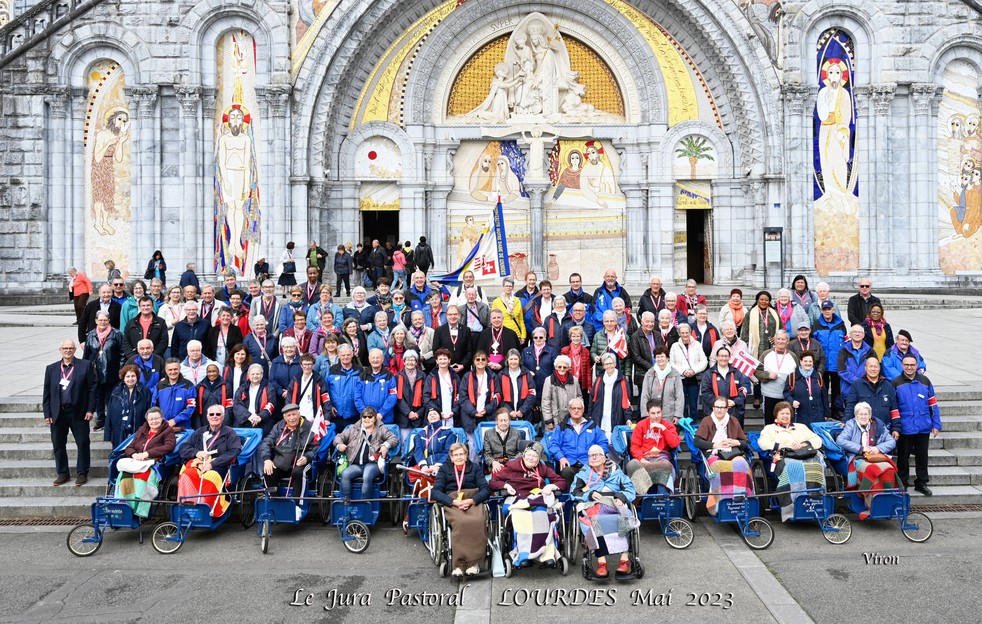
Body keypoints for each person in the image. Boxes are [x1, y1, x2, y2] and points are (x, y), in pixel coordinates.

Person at [490, 442, 568, 567]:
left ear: (539, 459)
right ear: (524, 455)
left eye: (535, 456)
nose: (531, 458)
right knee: (520, 517)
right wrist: (505, 485)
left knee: (543, 516)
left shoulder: (542, 468)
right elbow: (493, 482)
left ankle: (546, 554)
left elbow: (562, 482)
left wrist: (551, 486)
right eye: (529, 455)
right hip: (518, 499)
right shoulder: (511, 466)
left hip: (537, 500)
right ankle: (524, 554)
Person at [571, 445, 637, 578]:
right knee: (594, 520)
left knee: (626, 516)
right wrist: (589, 494)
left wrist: (622, 497)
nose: (594, 457)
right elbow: (574, 493)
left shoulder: (616, 472)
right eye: (591, 455)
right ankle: (602, 562)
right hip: (594, 505)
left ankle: (624, 559)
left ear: (604, 457)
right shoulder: (583, 474)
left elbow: (630, 489)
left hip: (614, 504)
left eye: (597, 454)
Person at [757, 401, 824, 521]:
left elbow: (818, 440)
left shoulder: (801, 427)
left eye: (787, 413)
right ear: (776, 415)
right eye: (782, 413)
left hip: (805, 456)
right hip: (783, 458)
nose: (785, 416)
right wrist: (783, 445)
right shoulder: (770, 428)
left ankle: (816, 501)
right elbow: (762, 443)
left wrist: (804, 444)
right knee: (793, 468)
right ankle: (792, 507)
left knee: (816, 466)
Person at [432, 442, 491, 577]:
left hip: (472, 500)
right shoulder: (445, 469)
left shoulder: (474, 468)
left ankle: (473, 563)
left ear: (466, 455)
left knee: (477, 521)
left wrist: (472, 500)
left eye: (461, 454)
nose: (459, 457)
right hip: (453, 502)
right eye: (456, 455)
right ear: (451, 457)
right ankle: (459, 564)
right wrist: (453, 502)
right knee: (461, 522)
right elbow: (436, 492)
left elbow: (485, 489)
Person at [43, 340, 97, 486]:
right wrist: (47, 413)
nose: (68, 350)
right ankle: (63, 473)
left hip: (78, 412)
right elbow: (47, 393)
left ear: (74, 350)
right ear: (60, 350)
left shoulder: (85, 366)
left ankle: (82, 473)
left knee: (83, 443)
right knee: (58, 444)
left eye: (70, 348)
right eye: (65, 348)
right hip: (58, 413)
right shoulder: (51, 369)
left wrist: (90, 409)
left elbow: (92, 388)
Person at [177, 405, 243, 517]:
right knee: (186, 475)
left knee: (210, 477)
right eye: (211, 414)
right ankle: (188, 508)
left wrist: (212, 464)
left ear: (223, 417)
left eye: (218, 414)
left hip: (219, 466)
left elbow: (234, 451)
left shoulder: (230, 433)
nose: (214, 417)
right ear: (207, 417)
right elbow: (183, 447)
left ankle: (205, 510)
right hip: (199, 464)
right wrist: (196, 453)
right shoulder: (200, 432)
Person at [836, 401, 898, 519]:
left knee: (889, 469)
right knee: (873, 470)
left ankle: (887, 504)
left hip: (875, 457)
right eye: (861, 414)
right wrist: (861, 448)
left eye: (866, 414)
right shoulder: (851, 424)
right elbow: (841, 440)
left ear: (870, 415)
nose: (863, 417)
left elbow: (892, 442)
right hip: (858, 457)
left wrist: (877, 448)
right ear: (856, 415)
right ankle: (872, 506)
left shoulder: (878, 424)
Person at [693, 396, 752, 516]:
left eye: (722, 407)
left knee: (742, 465)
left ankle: (741, 499)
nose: (719, 410)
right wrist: (715, 444)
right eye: (716, 407)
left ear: (727, 409)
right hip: (713, 453)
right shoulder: (707, 421)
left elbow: (745, 442)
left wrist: (737, 442)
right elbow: (697, 441)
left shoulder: (733, 421)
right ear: (713, 408)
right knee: (720, 467)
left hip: (732, 452)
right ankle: (721, 502)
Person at [113, 406, 176, 517]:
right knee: (123, 475)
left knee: (142, 477)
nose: (154, 421)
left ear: (162, 418)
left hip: (153, 463)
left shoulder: (167, 430)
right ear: (147, 420)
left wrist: (148, 453)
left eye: (157, 418)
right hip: (136, 461)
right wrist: (134, 454)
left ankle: (139, 509)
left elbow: (169, 446)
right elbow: (130, 446)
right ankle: (123, 505)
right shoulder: (142, 430)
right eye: (151, 419)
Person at [893, 355, 942, 496]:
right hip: (905, 427)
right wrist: (895, 427)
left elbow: (933, 404)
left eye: (912, 365)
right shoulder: (895, 383)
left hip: (923, 426)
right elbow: (893, 407)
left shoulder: (925, 381)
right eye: (906, 364)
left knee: (922, 456)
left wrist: (936, 424)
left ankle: (921, 483)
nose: (909, 367)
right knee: (903, 457)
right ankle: (902, 482)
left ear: (916, 365)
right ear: (902, 365)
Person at [334, 406, 398, 500]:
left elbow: (394, 439)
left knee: (367, 475)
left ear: (375, 418)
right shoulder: (354, 428)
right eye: (364, 417)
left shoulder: (381, 428)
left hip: (373, 464)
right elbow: (338, 437)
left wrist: (385, 445)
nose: (367, 419)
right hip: (356, 464)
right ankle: (346, 503)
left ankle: (365, 503)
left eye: (370, 416)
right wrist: (339, 445)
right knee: (345, 474)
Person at [82, 310, 124, 432]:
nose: (102, 322)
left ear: (109, 321)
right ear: (96, 321)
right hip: (95, 371)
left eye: (105, 320)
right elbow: (86, 355)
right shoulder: (91, 335)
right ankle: (101, 419)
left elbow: (122, 353)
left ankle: (111, 420)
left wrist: (121, 369)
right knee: (98, 397)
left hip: (112, 370)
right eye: (100, 320)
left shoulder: (116, 334)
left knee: (111, 396)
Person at [260, 402, 316, 494]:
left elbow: (316, 448)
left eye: (294, 414)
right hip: (282, 460)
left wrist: (307, 457)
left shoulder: (309, 427)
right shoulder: (279, 426)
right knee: (268, 471)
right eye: (288, 415)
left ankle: (298, 505)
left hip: (300, 461)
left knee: (298, 473)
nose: (292, 418)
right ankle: (274, 500)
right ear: (284, 417)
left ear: (299, 414)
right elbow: (266, 442)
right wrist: (267, 459)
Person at [627, 399, 680, 495]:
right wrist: (642, 459)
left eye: (658, 412)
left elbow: (675, 443)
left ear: (662, 411)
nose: (656, 416)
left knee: (665, 465)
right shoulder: (640, 425)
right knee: (631, 464)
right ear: (648, 413)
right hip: (645, 459)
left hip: (661, 458)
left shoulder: (668, 426)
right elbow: (635, 447)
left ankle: (661, 498)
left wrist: (663, 429)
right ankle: (643, 497)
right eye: (653, 413)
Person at [753, 330, 799, 426]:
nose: (780, 341)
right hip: (769, 395)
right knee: (770, 424)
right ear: (774, 340)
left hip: (787, 397)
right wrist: (767, 375)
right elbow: (756, 371)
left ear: (787, 341)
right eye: (778, 339)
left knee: (786, 423)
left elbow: (797, 375)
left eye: (783, 339)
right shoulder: (766, 354)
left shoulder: (793, 356)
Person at [457, 351, 499, 451]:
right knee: (471, 445)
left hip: (487, 415)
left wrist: (487, 409)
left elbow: (498, 396)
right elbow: (463, 397)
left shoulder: (493, 377)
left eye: (483, 359)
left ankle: (485, 466)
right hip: (469, 415)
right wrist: (473, 412)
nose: (480, 361)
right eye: (478, 359)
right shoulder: (467, 376)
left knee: (488, 444)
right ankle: (474, 466)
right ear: (474, 362)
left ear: (487, 361)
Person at [105, 363, 154, 448]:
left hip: (138, 431)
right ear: (123, 378)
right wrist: (108, 433)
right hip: (119, 432)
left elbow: (149, 410)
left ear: (137, 377)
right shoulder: (116, 392)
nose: (130, 379)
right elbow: (110, 413)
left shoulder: (144, 391)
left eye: (133, 376)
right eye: (128, 376)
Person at [589, 353, 633, 439]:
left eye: (610, 363)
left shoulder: (622, 380)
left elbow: (627, 401)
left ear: (615, 364)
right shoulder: (599, 379)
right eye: (606, 364)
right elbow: (592, 398)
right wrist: (590, 414)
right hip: (600, 417)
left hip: (616, 417)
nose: (609, 366)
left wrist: (628, 418)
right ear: (603, 366)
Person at [670, 323, 708, 421]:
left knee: (693, 405)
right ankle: (683, 426)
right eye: (682, 333)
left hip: (694, 379)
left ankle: (693, 426)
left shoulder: (697, 345)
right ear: (679, 333)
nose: (685, 335)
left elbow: (704, 361)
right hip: (680, 379)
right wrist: (683, 371)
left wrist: (693, 370)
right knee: (681, 404)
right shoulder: (675, 346)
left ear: (690, 333)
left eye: (686, 332)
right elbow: (671, 362)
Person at [783, 351, 830, 426]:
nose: (808, 363)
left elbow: (824, 397)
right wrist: (792, 402)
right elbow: (786, 394)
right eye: (805, 361)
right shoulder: (792, 377)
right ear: (800, 361)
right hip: (799, 417)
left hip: (817, 417)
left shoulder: (818, 377)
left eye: (810, 361)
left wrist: (826, 414)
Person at [639, 347, 684, 423]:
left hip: (670, 415)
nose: (660, 359)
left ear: (667, 358)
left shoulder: (675, 374)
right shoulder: (649, 374)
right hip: (653, 415)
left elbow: (679, 396)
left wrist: (677, 415)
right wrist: (645, 414)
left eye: (662, 356)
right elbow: (645, 395)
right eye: (657, 357)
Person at [232, 363, 278, 435]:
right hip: (245, 420)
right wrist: (249, 416)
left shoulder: (269, 387)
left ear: (262, 375)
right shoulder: (242, 388)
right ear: (248, 375)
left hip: (262, 421)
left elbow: (271, 404)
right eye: (253, 374)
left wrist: (260, 416)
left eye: (257, 374)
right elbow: (237, 404)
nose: (255, 376)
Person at [540, 354, 581, 431]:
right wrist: (548, 420)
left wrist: (577, 413)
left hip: (571, 419)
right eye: (559, 367)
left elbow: (579, 397)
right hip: (555, 419)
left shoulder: (575, 380)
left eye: (564, 367)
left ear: (568, 368)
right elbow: (545, 401)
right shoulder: (548, 380)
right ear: (556, 367)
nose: (562, 369)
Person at [327, 344, 363, 430]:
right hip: (336, 415)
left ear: (352, 354)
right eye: (343, 355)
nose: (345, 357)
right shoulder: (332, 370)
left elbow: (363, 391)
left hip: (354, 415)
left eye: (348, 354)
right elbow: (326, 391)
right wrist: (329, 406)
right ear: (338, 355)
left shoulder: (359, 371)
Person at [155, 358, 196, 432]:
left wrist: (174, 420)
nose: (173, 372)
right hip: (163, 427)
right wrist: (164, 421)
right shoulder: (159, 386)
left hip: (183, 428)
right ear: (166, 370)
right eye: (170, 370)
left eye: (175, 369)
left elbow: (191, 408)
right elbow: (154, 406)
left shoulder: (189, 385)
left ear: (180, 369)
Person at [483, 407, 526, 474]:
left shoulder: (516, 433)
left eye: (505, 420)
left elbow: (521, 452)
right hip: (496, 465)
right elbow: (487, 454)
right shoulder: (488, 433)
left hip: (513, 464)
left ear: (509, 420)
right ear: (496, 421)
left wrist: (513, 462)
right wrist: (493, 463)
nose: (503, 423)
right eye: (501, 420)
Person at [838, 325, 876, 400]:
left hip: (866, 390)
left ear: (863, 335)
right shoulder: (843, 351)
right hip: (848, 391)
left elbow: (875, 368)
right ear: (850, 334)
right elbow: (842, 371)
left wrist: (864, 382)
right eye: (854, 332)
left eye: (859, 332)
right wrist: (858, 382)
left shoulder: (870, 351)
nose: (857, 334)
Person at [591, 310, 631, 380]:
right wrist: (595, 357)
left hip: (619, 371)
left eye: (612, 321)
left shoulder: (623, 336)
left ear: (616, 322)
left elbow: (628, 358)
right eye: (607, 321)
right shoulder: (597, 336)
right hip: (602, 371)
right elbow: (593, 352)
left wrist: (627, 374)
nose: (609, 324)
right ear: (603, 322)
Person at [499, 349, 537, 422]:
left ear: (519, 360)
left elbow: (532, 393)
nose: (513, 361)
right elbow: (499, 396)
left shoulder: (526, 373)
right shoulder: (501, 375)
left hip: (525, 415)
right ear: (507, 360)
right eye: (511, 359)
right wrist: (509, 411)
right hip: (507, 416)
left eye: (515, 359)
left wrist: (522, 410)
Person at [433, 305, 473, 373]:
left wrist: (463, 365)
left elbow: (470, 351)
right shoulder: (439, 331)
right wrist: (447, 365)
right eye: (450, 314)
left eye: (455, 314)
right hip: (445, 369)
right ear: (446, 316)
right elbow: (436, 350)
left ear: (459, 315)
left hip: (463, 370)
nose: (453, 316)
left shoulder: (466, 330)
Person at [591, 268, 631, 333]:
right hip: (601, 328)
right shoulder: (598, 292)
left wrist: (616, 320)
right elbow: (594, 309)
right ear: (604, 277)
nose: (610, 278)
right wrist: (606, 320)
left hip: (619, 329)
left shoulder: (622, 291)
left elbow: (628, 308)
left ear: (616, 278)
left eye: (612, 276)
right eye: (608, 276)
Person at [491, 277, 527, 344]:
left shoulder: (517, 301)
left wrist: (523, 336)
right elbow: (493, 320)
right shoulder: (497, 302)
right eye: (506, 286)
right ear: (503, 287)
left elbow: (521, 320)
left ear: (513, 287)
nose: (508, 288)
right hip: (502, 333)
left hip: (516, 334)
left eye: (510, 286)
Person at [196, 363, 229, 428]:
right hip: (204, 421)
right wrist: (198, 424)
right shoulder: (199, 386)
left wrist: (225, 423)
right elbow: (197, 407)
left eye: (214, 371)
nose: (211, 374)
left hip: (220, 422)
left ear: (218, 372)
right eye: (209, 372)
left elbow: (228, 408)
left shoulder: (226, 386)